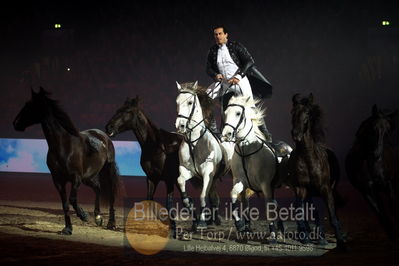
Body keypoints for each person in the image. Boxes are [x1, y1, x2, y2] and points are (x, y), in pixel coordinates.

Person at [206, 25, 273, 142]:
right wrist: (215, 75)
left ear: (226, 34)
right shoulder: (212, 50)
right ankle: (214, 130)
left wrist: (238, 76)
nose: (217, 36)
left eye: (220, 34)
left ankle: (265, 133)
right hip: (224, 83)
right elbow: (208, 68)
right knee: (206, 100)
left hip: (239, 80)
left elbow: (249, 61)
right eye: (215, 34)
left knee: (251, 106)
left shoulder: (236, 46)